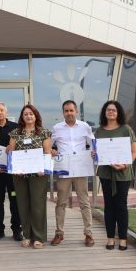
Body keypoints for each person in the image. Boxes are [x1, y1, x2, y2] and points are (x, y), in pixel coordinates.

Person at [94, 100, 136, 251]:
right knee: (109, 206)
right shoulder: (99, 131)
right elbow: (97, 152)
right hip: (106, 174)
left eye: (113, 110)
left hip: (123, 173)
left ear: (118, 112)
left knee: (121, 206)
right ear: (104, 113)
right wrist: (95, 154)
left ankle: (123, 239)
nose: (111, 112)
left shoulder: (126, 129)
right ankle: (110, 238)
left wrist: (125, 164)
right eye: (108, 110)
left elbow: (134, 151)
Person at [50, 100, 95, 247]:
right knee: (61, 203)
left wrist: (93, 151)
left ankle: (88, 233)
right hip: (64, 169)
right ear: (63, 112)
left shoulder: (85, 126)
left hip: (81, 168)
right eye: (66, 111)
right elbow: (49, 145)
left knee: (84, 202)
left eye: (71, 110)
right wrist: (52, 150)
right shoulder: (57, 128)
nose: (69, 113)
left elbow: (93, 143)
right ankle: (59, 233)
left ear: (76, 111)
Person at [7, 104, 53, 249]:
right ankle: (27, 235)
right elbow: (11, 152)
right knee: (23, 204)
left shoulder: (44, 132)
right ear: (22, 117)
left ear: (36, 116)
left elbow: (47, 152)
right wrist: (15, 168)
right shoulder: (15, 133)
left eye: (31, 114)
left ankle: (38, 237)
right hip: (20, 174)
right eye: (25, 114)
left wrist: (44, 168)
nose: (28, 116)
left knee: (38, 205)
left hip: (38, 174)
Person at [0, 102, 22, 242]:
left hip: (12, 173)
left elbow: (21, 147)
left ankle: (17, 230)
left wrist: (13, 147)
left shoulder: (16, 128)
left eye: (2, 110)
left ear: (6, 112)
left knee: (14, 200)